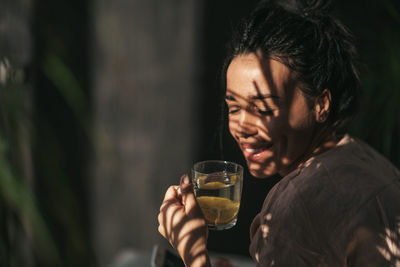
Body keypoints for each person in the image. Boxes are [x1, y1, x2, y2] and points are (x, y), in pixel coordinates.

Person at [157, 0, 400, 266]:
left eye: (262, 108)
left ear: (321, 104)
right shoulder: (361, 156)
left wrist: (194, 254)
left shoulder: (295, 207)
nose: (242, 127)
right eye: (234, 107)